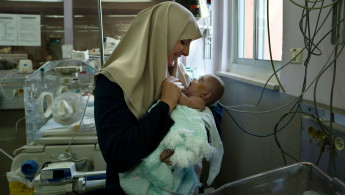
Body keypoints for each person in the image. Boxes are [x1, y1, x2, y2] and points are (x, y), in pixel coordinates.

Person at [91, 2, 203, 194]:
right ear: (161, 37)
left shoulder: (177, 73)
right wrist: (165, 105)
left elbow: (208, 111)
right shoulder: (113, 82)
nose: (186, 52)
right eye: (183, 42)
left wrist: (182, 148)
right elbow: (119, 155)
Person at [118, 74, 224, 194]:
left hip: (175, 136)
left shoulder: (198, 101)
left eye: (200, 80)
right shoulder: (195, 96)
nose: (194, 79)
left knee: (157, 162)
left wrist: (173, 91)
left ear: (205, 94)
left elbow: (184, 101)